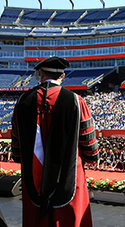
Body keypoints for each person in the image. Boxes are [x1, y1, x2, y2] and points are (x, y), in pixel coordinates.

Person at [11, 57, 99, 227]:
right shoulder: (76, 101)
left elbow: (16, 144)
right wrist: (92, 157)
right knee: (69, 219)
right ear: (63, 76)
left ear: (41, 74)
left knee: (35, 219)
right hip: (69, 175)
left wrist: (17, 156)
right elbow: (89, 143)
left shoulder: (23, 101)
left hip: (33, 174)